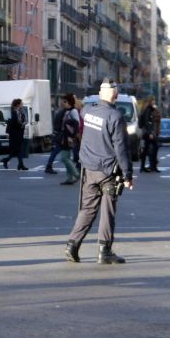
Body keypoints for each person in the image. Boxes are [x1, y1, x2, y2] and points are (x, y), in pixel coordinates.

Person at [64, 79, 133, 265]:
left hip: (88, 168)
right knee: (107, 210)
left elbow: (82, 109)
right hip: (108, 171)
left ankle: (72, 245)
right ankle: (105, 251)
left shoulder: (88, 111)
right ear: (116, 95)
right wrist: (127, 175)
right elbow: (121, 148)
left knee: (87, 208)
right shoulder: (116, 117)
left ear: (100, 94)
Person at [44, 94, 80, 184]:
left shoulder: (73, 111)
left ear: (69, 102)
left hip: (68, 138)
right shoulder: (66, 111)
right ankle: (69, 178)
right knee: (66, 157)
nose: (62, 103)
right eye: (62, 101)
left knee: (64, 158)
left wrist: (72, 136)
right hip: (65, 137)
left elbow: (76, 124)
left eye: (64, 101)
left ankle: (76, 174)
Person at [0, 98, 28, 170]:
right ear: (18, 104)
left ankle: (19, 164)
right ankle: (8, 161)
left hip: (20, 133)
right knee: (17, 150)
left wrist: (23, 123)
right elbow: (15, 123)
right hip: (15, 134)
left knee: (18, 150)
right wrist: (22, 125)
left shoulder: (21, 111)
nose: (22, 105)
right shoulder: (14, 112)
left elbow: (24, 120)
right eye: (21, 103)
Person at [139, 96, 160, 173]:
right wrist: (150, 132)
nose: (154, 102)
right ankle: (152, 166)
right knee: (154, 147)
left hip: (148, 132)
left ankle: (144, 166)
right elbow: (148, 122)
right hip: (148, 133)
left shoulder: (149, 109)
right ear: (149, 102)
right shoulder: (148, 110)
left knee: (147, 149)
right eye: (153, 101)